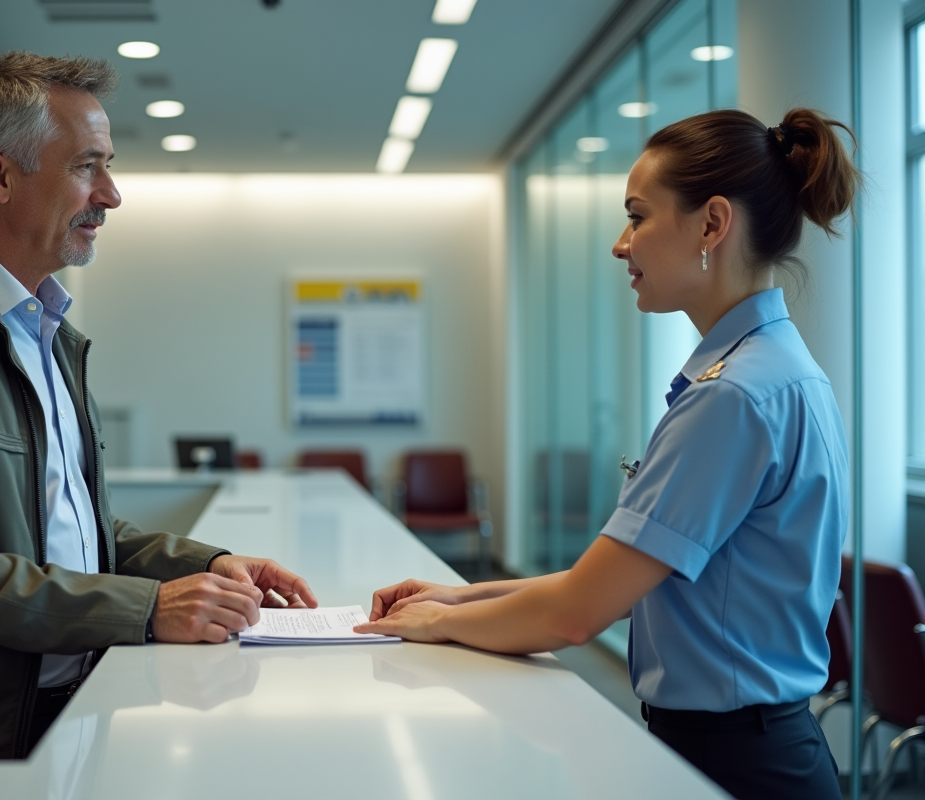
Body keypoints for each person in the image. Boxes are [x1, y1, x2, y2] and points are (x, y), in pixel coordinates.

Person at [0, 52, 316, 762]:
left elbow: (63, 528)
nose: (110, 194)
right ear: (0, 176)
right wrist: (144, 609)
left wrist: (205, 564)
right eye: (86, 166)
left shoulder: (44, 331)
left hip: (47, 723)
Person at [356, 107, 859, 800]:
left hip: (739, 764)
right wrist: (461, 593)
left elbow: (575, 615)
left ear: (712, 225)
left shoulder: (731, 399)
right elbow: (619, 584)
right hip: (760, 749)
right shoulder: (778, 371)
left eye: (638, 216)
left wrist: (440, 622)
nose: (621, 245)